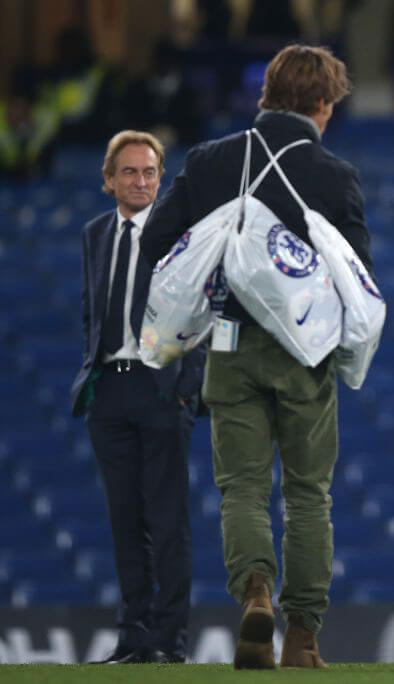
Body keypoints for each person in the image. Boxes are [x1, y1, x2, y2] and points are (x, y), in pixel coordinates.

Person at [142, 45, 370, 670]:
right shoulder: (335, 176)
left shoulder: (213, 161)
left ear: (266, 95)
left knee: (242, 487)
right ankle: (302, 638)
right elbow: (358, 277)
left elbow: (159, 243)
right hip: (304, 354)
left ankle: (255, 595)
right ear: (323, 105)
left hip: (230, 344)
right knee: (307, 495)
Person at [70, 130, 205, 664]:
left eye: (150, 172)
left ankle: (168, 643)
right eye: (130, 171)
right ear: (109, 180)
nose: (142, 181)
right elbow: (92, 311)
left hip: (161, 388)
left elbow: (200, 316)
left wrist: (182, 392)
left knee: (167, 521)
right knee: (125, 520)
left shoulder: (181, 237)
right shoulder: (94, 234)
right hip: (110, 391)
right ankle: (132, 638)